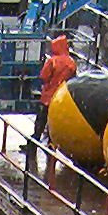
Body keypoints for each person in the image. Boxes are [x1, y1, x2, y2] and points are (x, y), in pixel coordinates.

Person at [27, 33, 76, 169]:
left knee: (40, 122)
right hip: (61, 99)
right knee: (53, 124)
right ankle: (51, 145)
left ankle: (33, 145)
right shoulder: (71, 63)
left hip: (48, 97)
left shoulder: (52, 61)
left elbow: (43, 76)